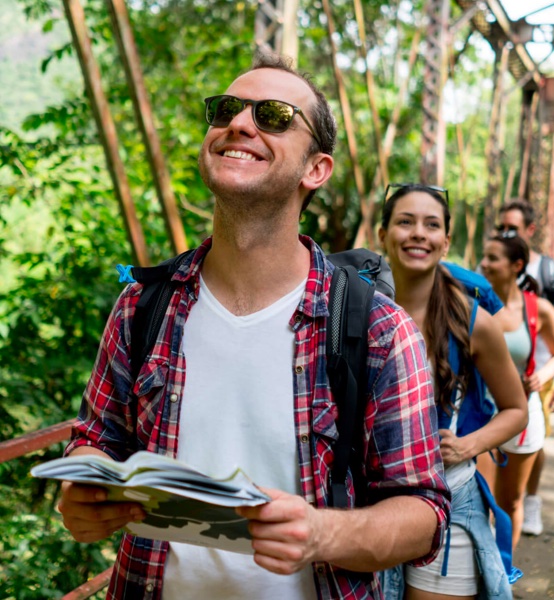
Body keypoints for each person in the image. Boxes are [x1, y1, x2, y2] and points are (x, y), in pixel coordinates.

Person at [56, 54, 451, 600]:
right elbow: (96, 441)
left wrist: (320, 533)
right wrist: (83, 486)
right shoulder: (141, 306)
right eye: (225, 111)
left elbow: (423, 514)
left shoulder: (379, 329)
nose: (239, 124)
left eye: (274, 115)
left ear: (316, 169)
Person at [378, 183, 528, 600]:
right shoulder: (358, 309)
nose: (418, 234)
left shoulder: (473, 322)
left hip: (450, 500)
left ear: (446, 241)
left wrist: (466, 446)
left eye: (431, 225)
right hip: (371, 503)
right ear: (382, 235)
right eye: (404, 222)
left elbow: (516, 409)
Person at [480, 232, 554, 551]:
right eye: (484, 256)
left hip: (522, 415)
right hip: (480, 414)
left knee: (510, 503)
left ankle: (503, 573)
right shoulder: (473, 300)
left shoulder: (538, 308)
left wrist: (541, 376)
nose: (484, 264)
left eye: (493, 258)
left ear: (516, 265)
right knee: (479, 503)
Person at [496, 199, 554, 536]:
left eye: (512, 228)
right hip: (499, 373)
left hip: (537, 376)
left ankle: (529, 499)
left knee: (534, 443)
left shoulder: (552, 273)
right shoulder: (490, 264)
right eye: (501, 227)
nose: (504, 233)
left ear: (530, 231)